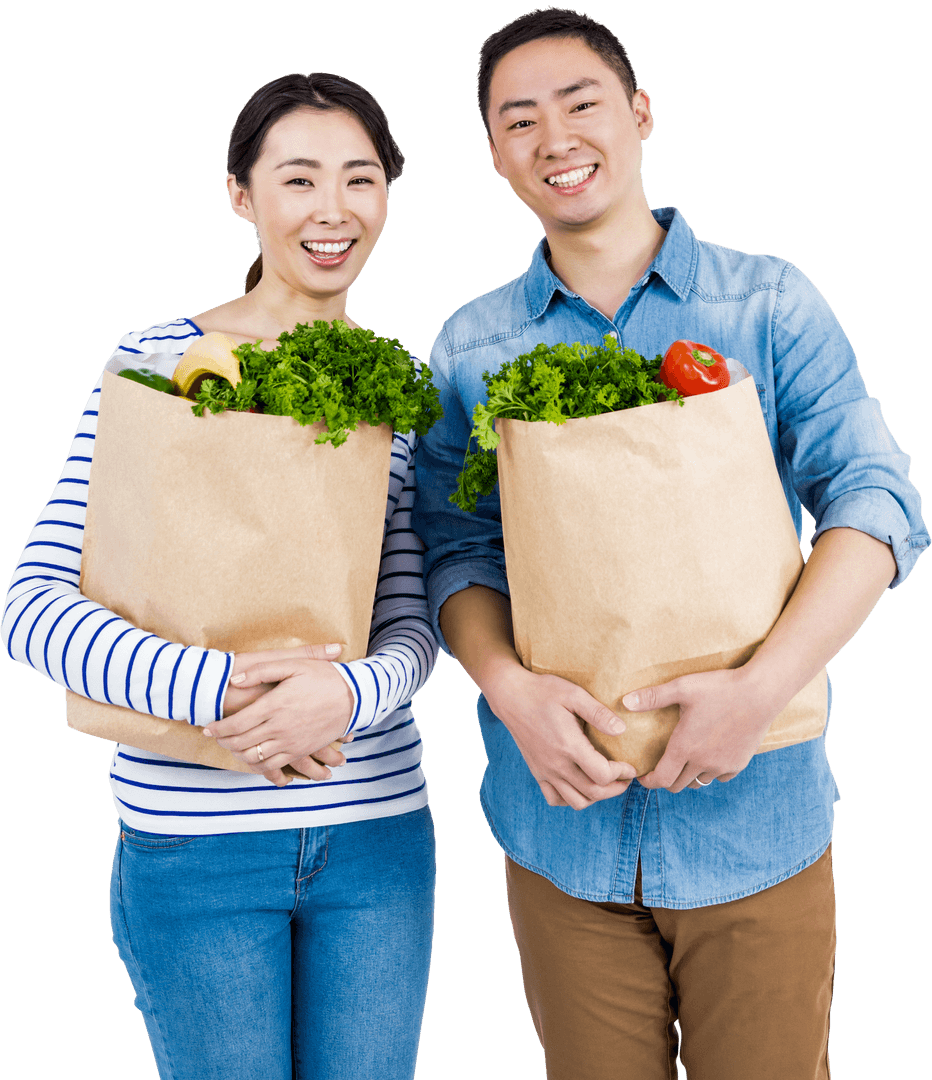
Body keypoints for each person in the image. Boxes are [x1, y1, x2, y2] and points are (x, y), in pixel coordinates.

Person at [412, 9, 928, 1080]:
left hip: (758, 823)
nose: (553, 137)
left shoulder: (767, 304)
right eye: (518, 120)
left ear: (639, 114)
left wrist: (760, 688)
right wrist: (508, 691)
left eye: (579, 102)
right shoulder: (471, 343)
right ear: (497, 156)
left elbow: (876, 503)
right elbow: (456, 549)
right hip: (558, 831)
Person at [2, 72, 438, 1080]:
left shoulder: (396, 386)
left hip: (375, 842)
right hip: (195, 848)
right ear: (243, 195)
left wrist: (343, 692)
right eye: (298, 179)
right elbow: (32, 609)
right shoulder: (153, 364)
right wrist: (211, 691)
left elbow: (414, 623)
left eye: (359, 179)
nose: (332, 211)